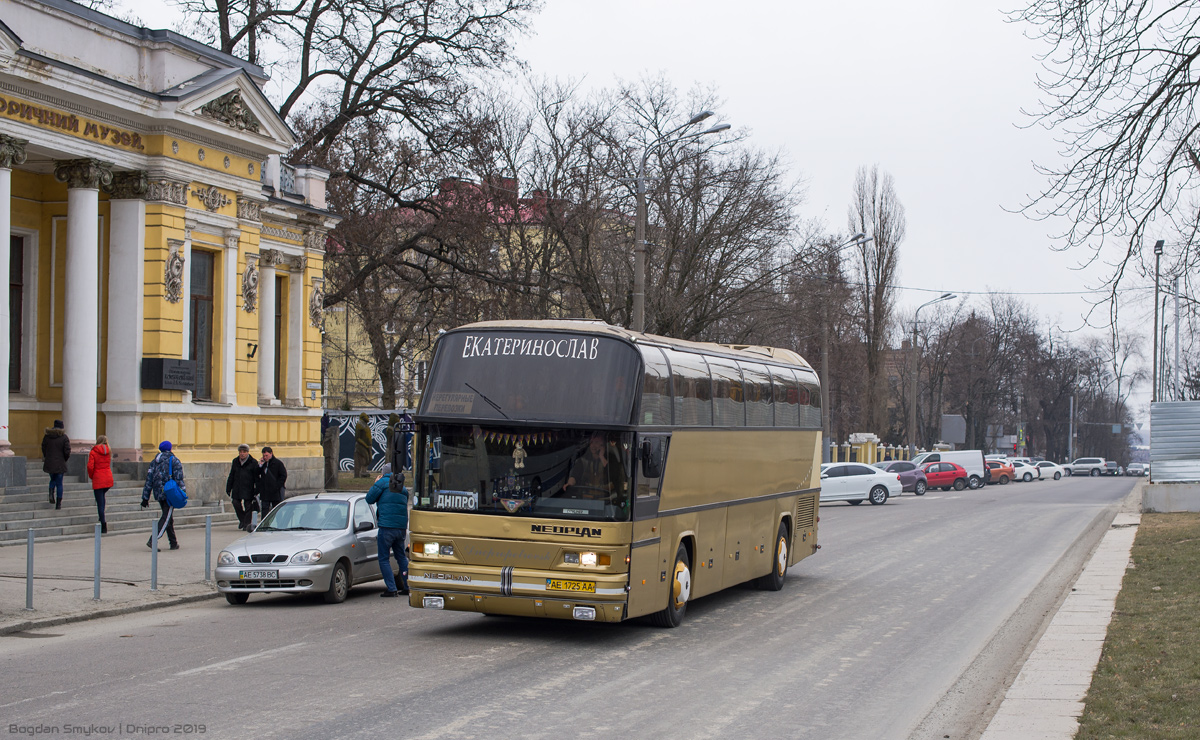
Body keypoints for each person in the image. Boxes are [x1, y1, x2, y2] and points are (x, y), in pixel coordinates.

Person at [366, 464, 409, 597]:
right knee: (401, 556)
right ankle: (407, 586)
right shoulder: (403, 487)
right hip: (401, 527)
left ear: (384, 473)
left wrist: (376, 483)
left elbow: (369, 499)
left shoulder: (383, 483)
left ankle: (392, 588)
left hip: (386, 526)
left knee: (384, 558)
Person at [141, 440, 183, 550]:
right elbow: (179, 478)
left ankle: (173, 543)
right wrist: (183, 493)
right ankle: (153, 540)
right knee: (166, 517)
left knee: (168, 517)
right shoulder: (174, 460)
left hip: (158, 493)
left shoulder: (154, 461)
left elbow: (149, 480)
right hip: (170, 494)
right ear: (170, 449)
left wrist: (145, 497)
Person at [566, 431, 627, 500]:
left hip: (607, 498)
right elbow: (575, 475)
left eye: (597, 442)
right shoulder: (583, 460)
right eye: (592, 442)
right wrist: (570, 483)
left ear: (603, 445)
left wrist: (602, 457)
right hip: (586, 496)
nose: (593, 445)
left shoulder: (612, 459)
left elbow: (615, 479)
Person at [225, 444, 259, 530]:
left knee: (248, 506)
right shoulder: (235, 461)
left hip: (248, 488)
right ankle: (242, 520)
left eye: (244, 452)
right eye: (240, 452)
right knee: (236, 503)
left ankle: (246, 524)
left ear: (247, 452)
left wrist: (257, 489)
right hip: (237, 487)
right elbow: (232, 475)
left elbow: (256, 477)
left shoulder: (253, 462)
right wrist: (228, 488)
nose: (242, 454)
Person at [41, 419, 71, 509]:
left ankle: (51, 492)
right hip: (60, 463)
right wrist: (64, 459)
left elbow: (43, 448)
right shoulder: (64, 437)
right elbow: (67, 451)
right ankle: (58, 504)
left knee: (52, 479)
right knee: (59, 483)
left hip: (50, 462)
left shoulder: (47, 436)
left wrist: (47, 457)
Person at [86, 435, 113, 533]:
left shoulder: (93, 452)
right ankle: (101, 517)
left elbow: (90, 466)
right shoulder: (108, 451)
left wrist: (92, 475)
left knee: (100, 502)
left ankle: (103, 523)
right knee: (102, 498)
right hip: (108, 478)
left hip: (98, 478)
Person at [258, 446, 288, 516]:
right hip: (265, 492)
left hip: (275, 492)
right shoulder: (263, 464)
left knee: (276, 510)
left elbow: (283, 475)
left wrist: (277, 486)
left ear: (271, 454)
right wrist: (260, 465)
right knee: (264, 510)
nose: (265, 457)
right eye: (264, 456)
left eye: (266, 455)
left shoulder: (278, 463)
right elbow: (257, 473)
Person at [354, 413, 372, 477]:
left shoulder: (366, 425)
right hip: (361, 445)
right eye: (367, 416)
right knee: (365, 458)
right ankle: (360, 473)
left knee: (369, 459)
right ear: (363, 417)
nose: (368, 418)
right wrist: (365, 445)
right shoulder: (359, 424)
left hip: (368, 446)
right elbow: (357, 438)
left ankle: (364, 471)